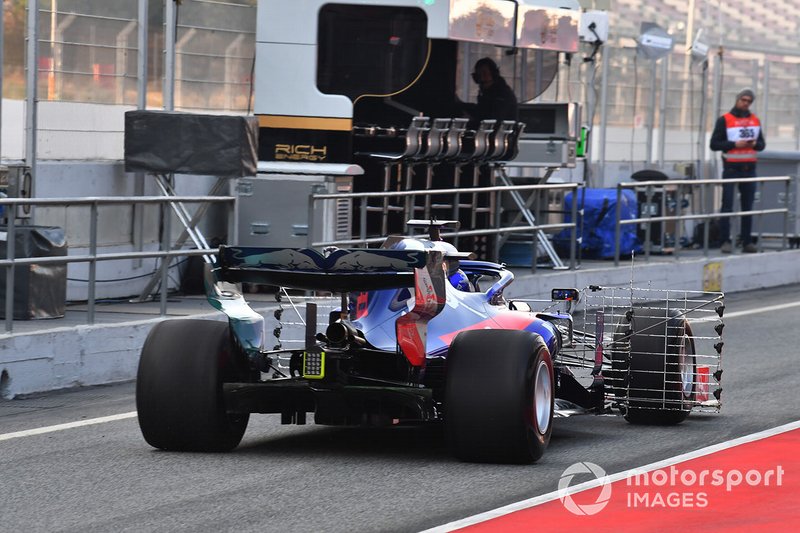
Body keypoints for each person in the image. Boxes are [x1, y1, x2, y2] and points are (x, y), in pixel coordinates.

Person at [709, 88, 766, 253]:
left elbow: (762, 145)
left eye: (749, 101)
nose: (745, 103)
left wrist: (755, 144)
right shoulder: (725, 120)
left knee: (747, 207)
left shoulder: (755, 120)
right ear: (737, 99)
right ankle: (724, 240)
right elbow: (714, 144)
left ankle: (747, 241)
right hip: (731, 169)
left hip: (749, 169)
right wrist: (734, 145)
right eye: (743, 100)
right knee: (727, 206)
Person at [459, 57, 518, 127]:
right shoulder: (488, 93)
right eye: (478, 74)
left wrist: (471, 120)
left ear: (493, 74)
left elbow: (493, 120)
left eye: (484, 73)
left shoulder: (502, 94)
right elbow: (481, 110)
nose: (481, 78)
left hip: (496, 134)